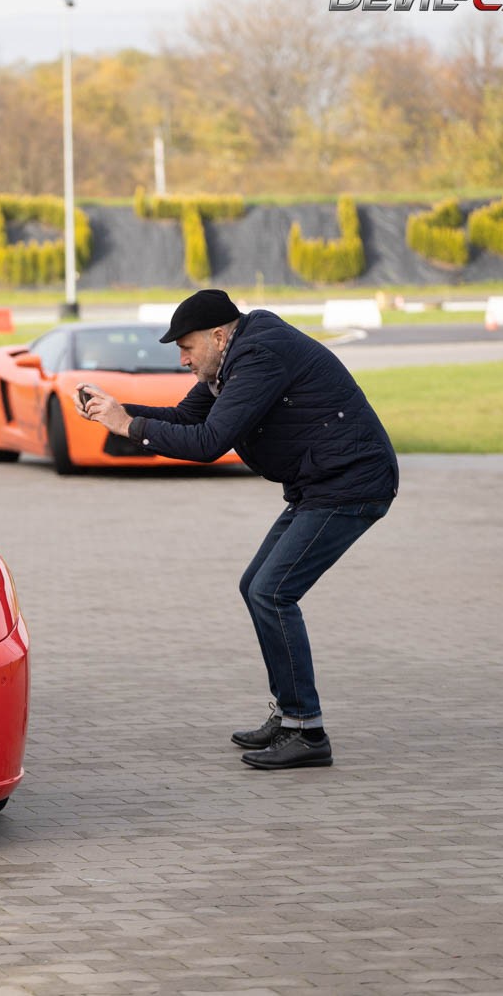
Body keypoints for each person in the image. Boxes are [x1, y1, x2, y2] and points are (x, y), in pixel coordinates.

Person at [77, 289, 398, 770]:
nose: (183, 359)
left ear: (217, 336)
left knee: (273, 592)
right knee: (256, 587)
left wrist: (130, 427)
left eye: (187, 347)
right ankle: (289, 715)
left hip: (350, 483)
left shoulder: (259, 357)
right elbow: (186, 419)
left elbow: (208, 443)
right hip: (320, 484)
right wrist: (118, 412)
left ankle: (307, 731)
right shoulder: (229, 362)